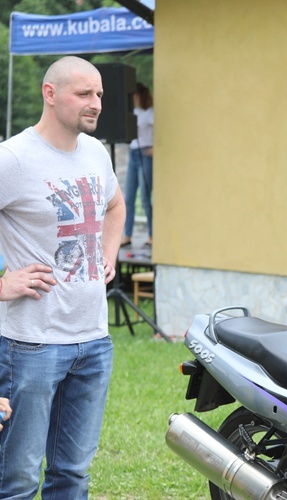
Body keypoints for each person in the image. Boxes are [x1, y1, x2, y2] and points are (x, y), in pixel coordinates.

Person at [0, 56, 126, 497]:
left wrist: (108, 255)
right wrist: (1, 286)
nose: (96, 104)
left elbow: (115, 205)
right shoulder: (13, 158)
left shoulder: (95, 151)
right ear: (49, 95)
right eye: (84, 94)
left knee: (73, 474)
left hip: (93, 340)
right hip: (29, 344)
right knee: (16, 480)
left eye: (99, 95)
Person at [121, 82, 154, 247]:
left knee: (145, 197)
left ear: (136, 96)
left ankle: (152, 235)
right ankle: (127, 234)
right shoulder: (132, 112)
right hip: (133, 154)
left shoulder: (150, 113)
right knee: (129, 197)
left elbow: (161, 132)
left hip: (145, 154)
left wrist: (155, 147)